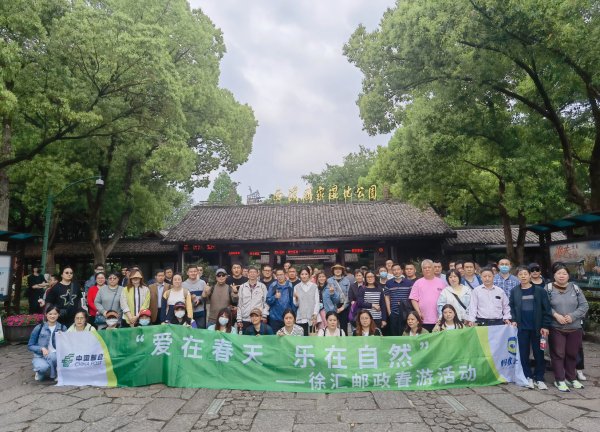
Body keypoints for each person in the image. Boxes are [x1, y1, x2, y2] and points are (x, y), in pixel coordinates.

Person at [546, 263, 589, 392]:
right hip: (556, 327)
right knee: (558, 354)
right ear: (554, 275)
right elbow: (545, 306)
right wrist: (556, 315)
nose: (562, 276)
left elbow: (584, 305)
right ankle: (559, 379)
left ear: (568, 275)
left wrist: (573, 316)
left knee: (572, 353)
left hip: (574, 327)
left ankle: (571, 378)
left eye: (564, 273)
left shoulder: (575, 288)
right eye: (559, 273)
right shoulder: (548, 288)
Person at [509, 265, 552, 390]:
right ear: (517, 277)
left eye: (525, 274)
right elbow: (511, 308)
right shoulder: (515, 291)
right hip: (522, 328)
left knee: (539, 353)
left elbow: (546, 309)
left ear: (529, 276)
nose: (523, 276)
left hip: (537, 328)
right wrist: (514, 320)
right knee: (523, 354)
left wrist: (545, 325)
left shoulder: (539, 291)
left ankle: (539, 377)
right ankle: (527, 376)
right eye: (520, 274)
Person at [28, 305, 67, 381]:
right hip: (40, 356)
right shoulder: (39, 327)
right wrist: (41, 348)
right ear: (46, 314)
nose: (52, 316)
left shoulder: (63, 328)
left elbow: (67, 344)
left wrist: (62, 337)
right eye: (50, 314)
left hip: (56, 356)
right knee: (42, 370)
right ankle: (40, 371)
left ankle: (55, 372)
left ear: (58, 315)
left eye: (55, 314)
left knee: (53, 356)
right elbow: (30, 345)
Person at [409, 259, 445, 331]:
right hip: (423, 319)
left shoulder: (442, 282)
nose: (427, 269)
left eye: (429, 267)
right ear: (422, 270)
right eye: (425, 268)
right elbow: (413, 299)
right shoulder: (418, 283)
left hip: (439, 319)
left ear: (433, 268)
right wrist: (418, 312)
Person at [385, 263, 414, 336]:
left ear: (402, 271)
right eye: (394, 270)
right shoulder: (389, 283)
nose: (396, 271)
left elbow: (412, 297)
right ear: (392, 271)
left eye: (398, 269)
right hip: (394, 312)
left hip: (406, 312)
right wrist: (389, 312)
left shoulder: (409, 283)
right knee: (394, 333)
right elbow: (387, 298)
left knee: (405, 332)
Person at [266, 268, 295, 332]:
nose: (279, 277)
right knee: (275, 336)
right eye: (278, 275)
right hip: (274, 318)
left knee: (287, 336)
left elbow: (292, 302)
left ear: (285, 275)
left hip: (287, 317)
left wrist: (293, 314)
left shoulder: (290, 285)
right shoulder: (273, 285)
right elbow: (268, 300)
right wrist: (275, 297)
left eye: (281, 275)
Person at [293, 267, 319, 335]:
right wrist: (296, 298)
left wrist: (315, 314)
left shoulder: (314, 286)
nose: (304, 276)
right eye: (302, 274)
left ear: (309, 275)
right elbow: (296, 304)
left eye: (306, 274)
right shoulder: (296, 287)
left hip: (311, 318)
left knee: (311, 338)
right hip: (300, 317)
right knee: (301, 338)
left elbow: (317, 302)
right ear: (299, 275)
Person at [328, 263, 351, 333]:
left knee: (344, 327)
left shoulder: (346, 280)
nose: (337, 270)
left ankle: (344, 339)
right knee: (332, 326)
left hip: (344, 306)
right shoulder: (329, 280)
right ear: (333, 271)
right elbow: (327, 295)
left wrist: (343, 307)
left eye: (339, 269)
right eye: (336, 269)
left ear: (342, 271)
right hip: (333, 306)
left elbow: (348, 295)